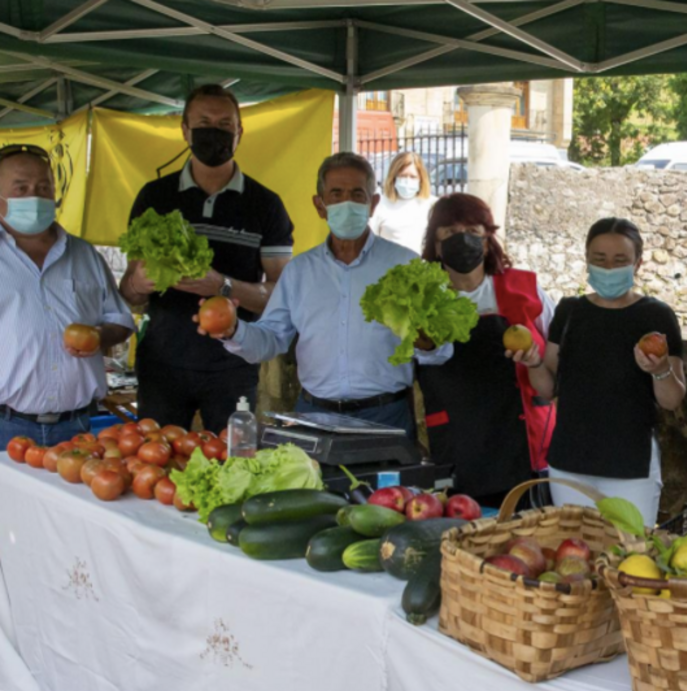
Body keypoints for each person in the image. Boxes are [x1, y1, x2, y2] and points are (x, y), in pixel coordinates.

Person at [197, 153, 419, 438]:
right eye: (336, 194)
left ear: (373, 203)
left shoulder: (405, 266)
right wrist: (233, 330)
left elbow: (437, 351)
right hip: (315, 416)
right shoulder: (299, 271)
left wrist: (428, 342)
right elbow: (271, 339)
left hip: (387, 416)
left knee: (389, 486)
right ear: (320, 205)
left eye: (357, 194)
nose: (346, 202)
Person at [120, 84, 294, 434]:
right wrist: (137, 284)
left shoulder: (266, 204)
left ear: (239, 133)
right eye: (204, 122)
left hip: (233, 365)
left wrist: (224, 287)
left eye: (225, 124)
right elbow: (129, 293)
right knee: (154, 467)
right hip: (161, 364)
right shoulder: (155, 197)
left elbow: (282, 293)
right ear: (185, 130)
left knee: (231, 468)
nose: (214, 131)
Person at [519, 218, 687, 526]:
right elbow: (548, 387)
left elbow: (672, 399)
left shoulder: (656, 315)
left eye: (620, 260)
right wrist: (532, 363)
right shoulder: (570, 312)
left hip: (631, 467)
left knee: (631, 558)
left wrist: (660, 370)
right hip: (569, 465)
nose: (609, 267)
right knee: (573, 560)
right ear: (586, 260)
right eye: (600, 259)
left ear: (638, 262)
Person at [415, 194, 556, 509]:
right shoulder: (421, 301)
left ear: (488, 240)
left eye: (473, 231)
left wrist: (536, 361)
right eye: (450, 233)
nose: (462, 240)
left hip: (523, 440)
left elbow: (559, 357)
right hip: (458, 441)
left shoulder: (527, 291)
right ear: (436, 246)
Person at [0, 145, 135, 447]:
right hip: (4, 427)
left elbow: (120, 319)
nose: (34, 197)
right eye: (21, 188)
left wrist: (100, 335)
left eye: (44, 187)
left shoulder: (85, 254)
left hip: (76, 427)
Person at [370, 151, 435, 254]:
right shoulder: (380, 204)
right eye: (403, 176)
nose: (407, 180)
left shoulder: (432, 204)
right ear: (393, 178)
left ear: (421, 179)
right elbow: (371, 242)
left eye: (413, 177)